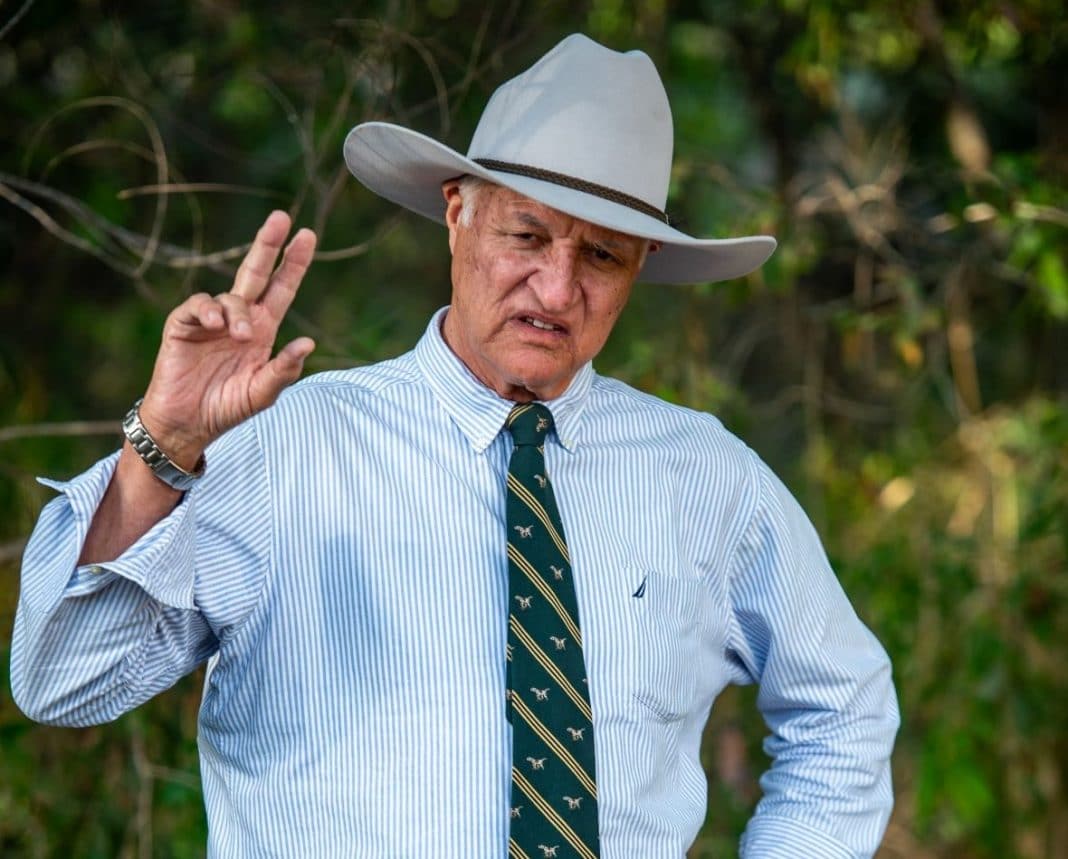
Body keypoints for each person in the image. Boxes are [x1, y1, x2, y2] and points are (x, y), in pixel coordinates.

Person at [11, 33, 899, 858]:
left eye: (601, 256)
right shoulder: (282, 447)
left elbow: (844, 707)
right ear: (456, 214)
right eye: (526, 234)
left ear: (640, 272)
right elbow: (61, 682)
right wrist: (162, 446)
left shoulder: (706, 476)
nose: (555, 287)